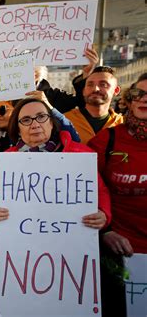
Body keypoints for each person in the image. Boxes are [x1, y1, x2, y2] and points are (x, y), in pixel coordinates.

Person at [0, 97, 111, 229]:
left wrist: (103, 214)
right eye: (26, 120)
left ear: (51, 122)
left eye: (41, 117)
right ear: (18, 128)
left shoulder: (80, 154)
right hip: (24, 240)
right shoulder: (8, 159)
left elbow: (100, 191)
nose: (35, 124)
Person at [88, 73, 147, 317]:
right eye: (139, 94)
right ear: (128, 101)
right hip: (121, 255)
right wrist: (105, 231)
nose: (145, 99)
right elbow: (85, 190)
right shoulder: (107, 140)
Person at [64, 66, 124, 144]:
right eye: (90, 85)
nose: (95, 89)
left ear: (116, 90)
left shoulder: (123, 125)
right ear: (83, 91)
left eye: (103, 84)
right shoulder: (65, 121)